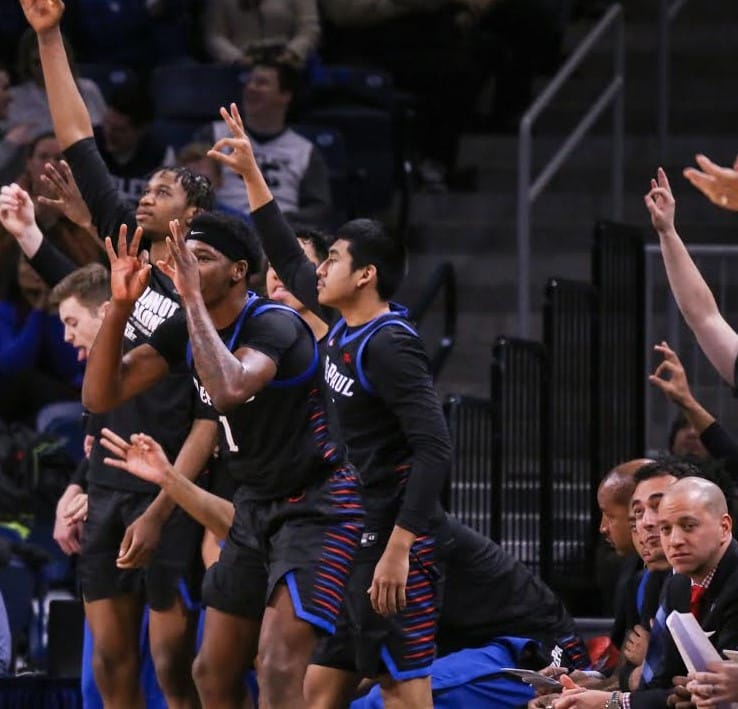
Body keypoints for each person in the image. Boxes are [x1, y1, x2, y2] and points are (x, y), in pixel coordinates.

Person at [210, 103, 452, 707]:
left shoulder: (391, 344)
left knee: (403, 687)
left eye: (334, 261)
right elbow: (287, 258)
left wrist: (400, 546)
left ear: (366, 274)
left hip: (393, 537)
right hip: (348, 525)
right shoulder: (338, 325)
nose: (316, 270)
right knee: (314, 688)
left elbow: (435, 447)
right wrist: (252, 178)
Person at [20, 2, 221, 705]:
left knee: (173, 663)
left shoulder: (214, 290)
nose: (145, 193)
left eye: (162, 190)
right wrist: (49, 37)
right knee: (108, 657)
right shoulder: (124, 246)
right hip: (111, 478)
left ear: (190, 217)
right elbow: (78, 137)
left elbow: (209, 410)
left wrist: (167, 503)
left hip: (171, 480)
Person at [86, 210, 364, 708]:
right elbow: (101, 395)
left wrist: (189, 296)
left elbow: (229, 387)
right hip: (254, 504)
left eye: (203, 258)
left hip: (318, 506)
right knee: (210, 671)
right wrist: (122, 307)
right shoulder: (185, 329)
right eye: (182, 259)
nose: (186, 267)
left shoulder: (277, 324)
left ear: (239, 270)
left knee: (279, 669)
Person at [551, 475, 738, 709]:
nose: (675, 540)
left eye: (689, 526)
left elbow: (723, 691)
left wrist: (609, 702)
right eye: (666, 529)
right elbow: (661, 681)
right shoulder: (677, 584)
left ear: (724, 527)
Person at [197, 51, 332, 224]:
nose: (251, 87)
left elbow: (319, 208)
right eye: (249, 81)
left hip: (279, 232)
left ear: (285, 95)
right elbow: (193, 185)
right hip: (222, 225)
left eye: (262, 83)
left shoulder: (305, 151)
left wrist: (280, 222)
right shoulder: (214, 133)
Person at [7, 27, 106, 141]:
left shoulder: (89, 90)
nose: (45, 67)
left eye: (51, 58)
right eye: (37, 62)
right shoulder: (12, 99)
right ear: (27, 64)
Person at [96, 77, 176, 205]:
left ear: (141, 130)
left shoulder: (160, 154)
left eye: (119, 130)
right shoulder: (90, 143)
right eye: (106, 124)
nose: (108, 133)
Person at [204, 0, 321, 68]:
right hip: (239, 64)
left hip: (287, 62)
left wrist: (292, 53)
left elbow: (308, 29)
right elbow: (215, 35)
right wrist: (237, 58)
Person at [0, 62, 33, 185]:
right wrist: (9, 144)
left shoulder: (12, 131)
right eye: (5, 88)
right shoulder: (11, 140)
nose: (10, 97)